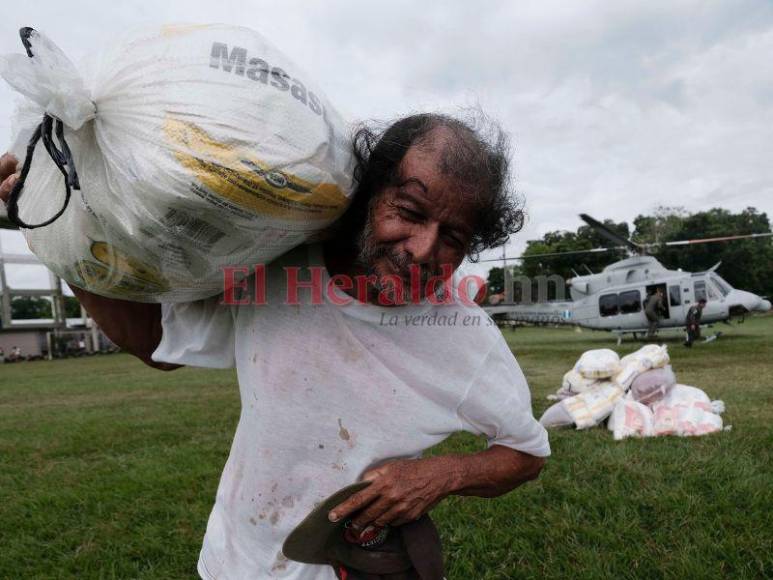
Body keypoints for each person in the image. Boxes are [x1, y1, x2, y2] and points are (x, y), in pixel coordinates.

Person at [0, 113, 549, 579]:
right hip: (232, 558)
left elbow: (525, 453)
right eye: (408, 211)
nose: (425, 248)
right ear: (370, 195)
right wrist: (54, 229)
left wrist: (436, 476)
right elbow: (154, 338)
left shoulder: (465, 337)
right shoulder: (276, 268)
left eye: (454, 237)